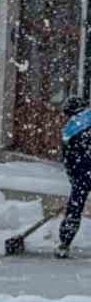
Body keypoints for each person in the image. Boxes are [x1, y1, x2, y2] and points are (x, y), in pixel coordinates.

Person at [57, 96, 91, 258]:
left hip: (82, 175)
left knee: (74, 209)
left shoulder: (70, 130)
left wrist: (74, 180)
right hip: (84, 172)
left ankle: (64, 243)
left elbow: (67, 159)